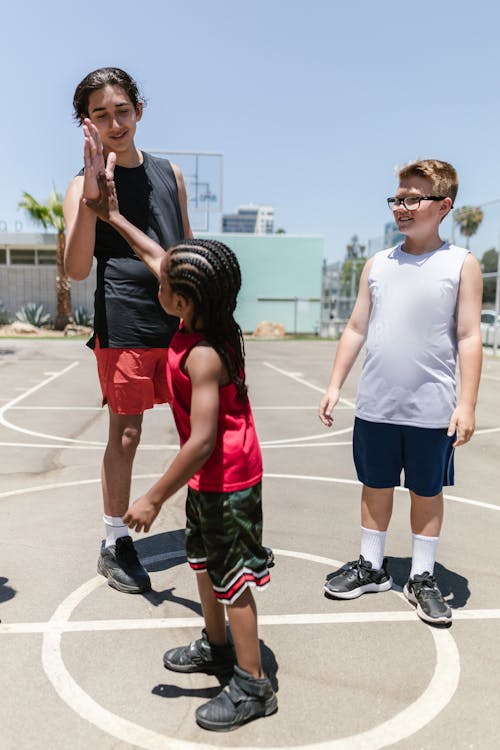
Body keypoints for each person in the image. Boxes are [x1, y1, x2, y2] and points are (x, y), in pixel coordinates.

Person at [84, 158, 277, 731]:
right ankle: (216, 647)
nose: (155, 282)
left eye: (164, 285)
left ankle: (252, 683)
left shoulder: (203, 354)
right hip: (208, 479)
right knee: (204, 562)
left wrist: (151, 498)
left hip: (227, 477)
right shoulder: (199, 319)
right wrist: (114, 215)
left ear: (182, 300)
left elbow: (202, 441)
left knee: (233, 578)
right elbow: (155, 254)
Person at [319, 159, 483, 625]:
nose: (402, 207)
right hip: (377, 404)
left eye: (414, 198)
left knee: (426, 491)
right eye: (397, 198)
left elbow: (470, 337)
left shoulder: (460, 264)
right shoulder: (379, 264)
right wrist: (334, 385)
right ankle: (372, 565)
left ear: (443, 205)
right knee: (375, 484)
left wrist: (466, 404)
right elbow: (355, 327)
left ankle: (423, 575)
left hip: (432, 408)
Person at [63, 67, 192, 594]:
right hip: (125, 319)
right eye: (100, 114)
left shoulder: (170, 173)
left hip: (179, 317)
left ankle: (206, 521)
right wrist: (94, 195)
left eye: (121, 110)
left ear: (139, 110)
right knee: (129, 433)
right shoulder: (81, 184)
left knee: (196, 429)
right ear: (86, 124)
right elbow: (75, 268)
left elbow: (184, 247)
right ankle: (115, 541)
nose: (114, 122)